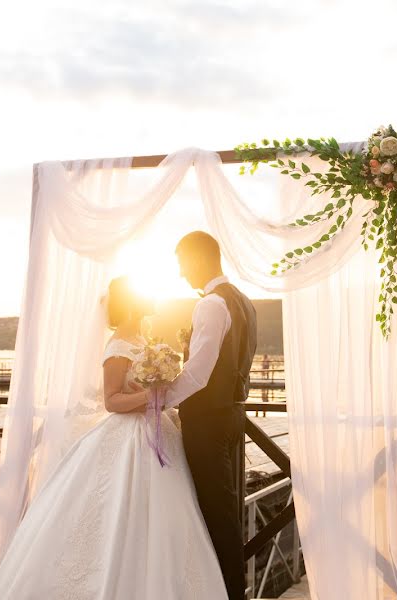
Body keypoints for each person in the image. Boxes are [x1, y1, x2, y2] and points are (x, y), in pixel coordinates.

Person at [0, 277, 226, 600]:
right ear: (132, 302)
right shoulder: (118, 346)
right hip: (128, 436)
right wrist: (151, 394)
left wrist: (159, 391)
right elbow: (112, 401)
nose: (153, 299)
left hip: (156, 432)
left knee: (167, 519)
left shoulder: (142, 339)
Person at [149, 231, 258, 600]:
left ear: (198, 259)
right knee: (224, 509)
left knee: (215, 512)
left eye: (182, 264)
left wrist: (157, 402)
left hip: (207, 422)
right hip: (233, 417)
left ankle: (227, 593)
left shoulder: (210, 304)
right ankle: (224, 589)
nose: (181, 274)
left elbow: (198, 373)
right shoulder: (245, 303)